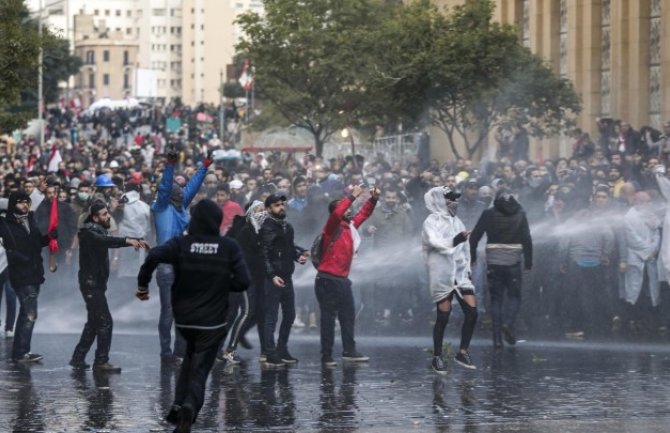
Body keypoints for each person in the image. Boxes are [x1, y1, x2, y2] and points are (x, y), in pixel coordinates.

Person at [137, 199, 251, 433]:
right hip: (213, 323)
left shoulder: (181, 243)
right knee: (200, 370)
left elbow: (155, 255)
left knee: (190, 358)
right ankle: (189, 405)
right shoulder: (229, 247)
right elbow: (242, 282)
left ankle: (178, 408)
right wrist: (221, 284)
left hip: (186, 320)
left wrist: (143, 285)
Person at [69, 202, 149, 372]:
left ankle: (78, 358)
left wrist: (135, 241)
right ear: (95, 217)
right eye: (104, 214)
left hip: (96, 284)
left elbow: (107, 240)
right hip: (91, 285)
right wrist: (128, 241)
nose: (108, 216)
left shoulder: (97, 230)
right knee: (105, 321)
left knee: (94, 322)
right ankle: (101, 362)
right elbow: (106, 241)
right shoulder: (89, 232)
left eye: (107, 213)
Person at [151, 149, 211, 364]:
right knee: (168, 311)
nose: (180, 189)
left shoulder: (181, 206)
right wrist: (169, 164)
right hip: (167, 266)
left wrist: (205, 165)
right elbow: (166, 185)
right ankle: (166, 353)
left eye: (180, 187)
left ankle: (179, 352)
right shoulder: (160, 207)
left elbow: (193, 185)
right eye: (175, 187)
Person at [315, 185, 379, 367]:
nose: (350, 210)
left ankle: (349, 351)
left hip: (342, 280)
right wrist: (351, 196)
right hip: (327, 280)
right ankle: (326, 355)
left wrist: (373, 199)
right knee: (328, 319)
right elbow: (337, 214)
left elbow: (363, 215)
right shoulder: (331, 227)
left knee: (347, 316)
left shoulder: (348, 228)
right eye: (345, 208)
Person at [422, 187, 478, 374]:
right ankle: (437, 356)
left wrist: (468, 269)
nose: (454, 203)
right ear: (439, 200)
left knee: (472, 312)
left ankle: (463, 351)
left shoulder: (458, 221)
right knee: (443, 317)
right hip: (442, 274)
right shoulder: (431, 221)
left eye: (455, 199)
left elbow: (466, 248)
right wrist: (455, 240)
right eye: (450, 199)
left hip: (460, 275)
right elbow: (435, 242)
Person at [469, 190, 533, 349]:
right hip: (513, 261)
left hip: (494, 262)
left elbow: (475, 236)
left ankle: (497, 339)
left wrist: (472, 258)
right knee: (514, 296)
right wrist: (529, 262)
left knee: (496, 299)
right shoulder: (520, 213)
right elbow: (527, 239)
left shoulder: (488, 213)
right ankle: (508, 324)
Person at [0, 192, 54, 362]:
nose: (24, 205)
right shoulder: (4, 224)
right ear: (13, 205)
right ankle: (21, 352)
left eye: (27, 202)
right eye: (20, 202)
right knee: (30, 313)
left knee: (26, 313)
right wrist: (21, 257)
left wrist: (50, 238)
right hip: (20, 272)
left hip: (35, 271)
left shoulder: (30, 219)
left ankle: (20, 352)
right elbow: (10, 248)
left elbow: (36, 242)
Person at [259, 192, 309, 367]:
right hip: (273, 279)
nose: (281, 207)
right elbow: (264, 254)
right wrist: (272, 275)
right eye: (276, 205)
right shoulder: (266, 227)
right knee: (271, 316)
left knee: (290, 315)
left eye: (282, 204)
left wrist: (298, 257)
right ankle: (270, 353)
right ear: (268, 209)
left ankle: (282, 349)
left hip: (287, 276)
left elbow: (288, 248)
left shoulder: (287, 227)